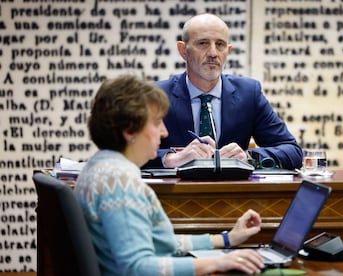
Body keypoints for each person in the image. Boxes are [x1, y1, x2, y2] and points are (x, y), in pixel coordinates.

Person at [74, 75, 265, 275]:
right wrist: (218, 263)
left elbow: (158, 241)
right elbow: (137, 268)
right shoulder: (119, 181)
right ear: (130, 130)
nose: (164, 132)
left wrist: (227, 239)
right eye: (157, 123)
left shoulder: (101, 167)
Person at [144, 13, 303, 170]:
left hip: (234, 193)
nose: (213, 53)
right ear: (183, 50)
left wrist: (249, 158)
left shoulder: (249, 93)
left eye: (220, 44)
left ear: (228, 50)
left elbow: (292, 151)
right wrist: (171, 158)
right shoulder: (158, 95)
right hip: (176, 194)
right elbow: (126, 150)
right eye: (203, 43)